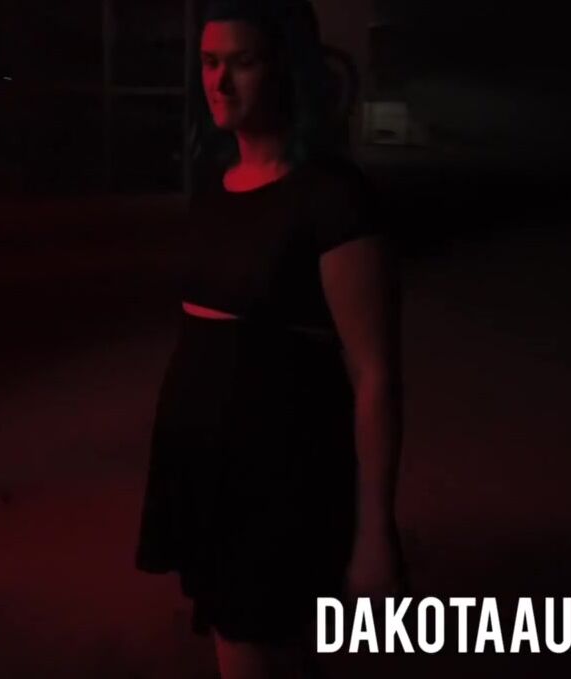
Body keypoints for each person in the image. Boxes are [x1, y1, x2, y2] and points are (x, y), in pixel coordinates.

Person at [134, 1, 406, 676]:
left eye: (242, 62)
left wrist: (375, 530)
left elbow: (375, 372)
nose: (219, 83)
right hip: (206, 463)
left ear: (285, 67)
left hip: (282, 469)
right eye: (209, 62)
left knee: (269, 642)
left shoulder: (332, 197)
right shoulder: (215, 185)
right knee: (233, 635)